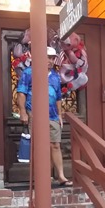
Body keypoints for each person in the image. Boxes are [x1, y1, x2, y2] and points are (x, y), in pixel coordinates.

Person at [16, 46, 72, 187]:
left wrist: (60, 115)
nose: (50, 61)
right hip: (34, 113)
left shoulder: (55, 76)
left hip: (52, 115)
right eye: (48, 57)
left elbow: (58, 97)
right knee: (38, 146)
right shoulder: (29, 72)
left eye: (52, 58)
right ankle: (41, 177)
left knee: (55, 145)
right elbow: (21, 93)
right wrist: (22, 112)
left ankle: (61, 176)